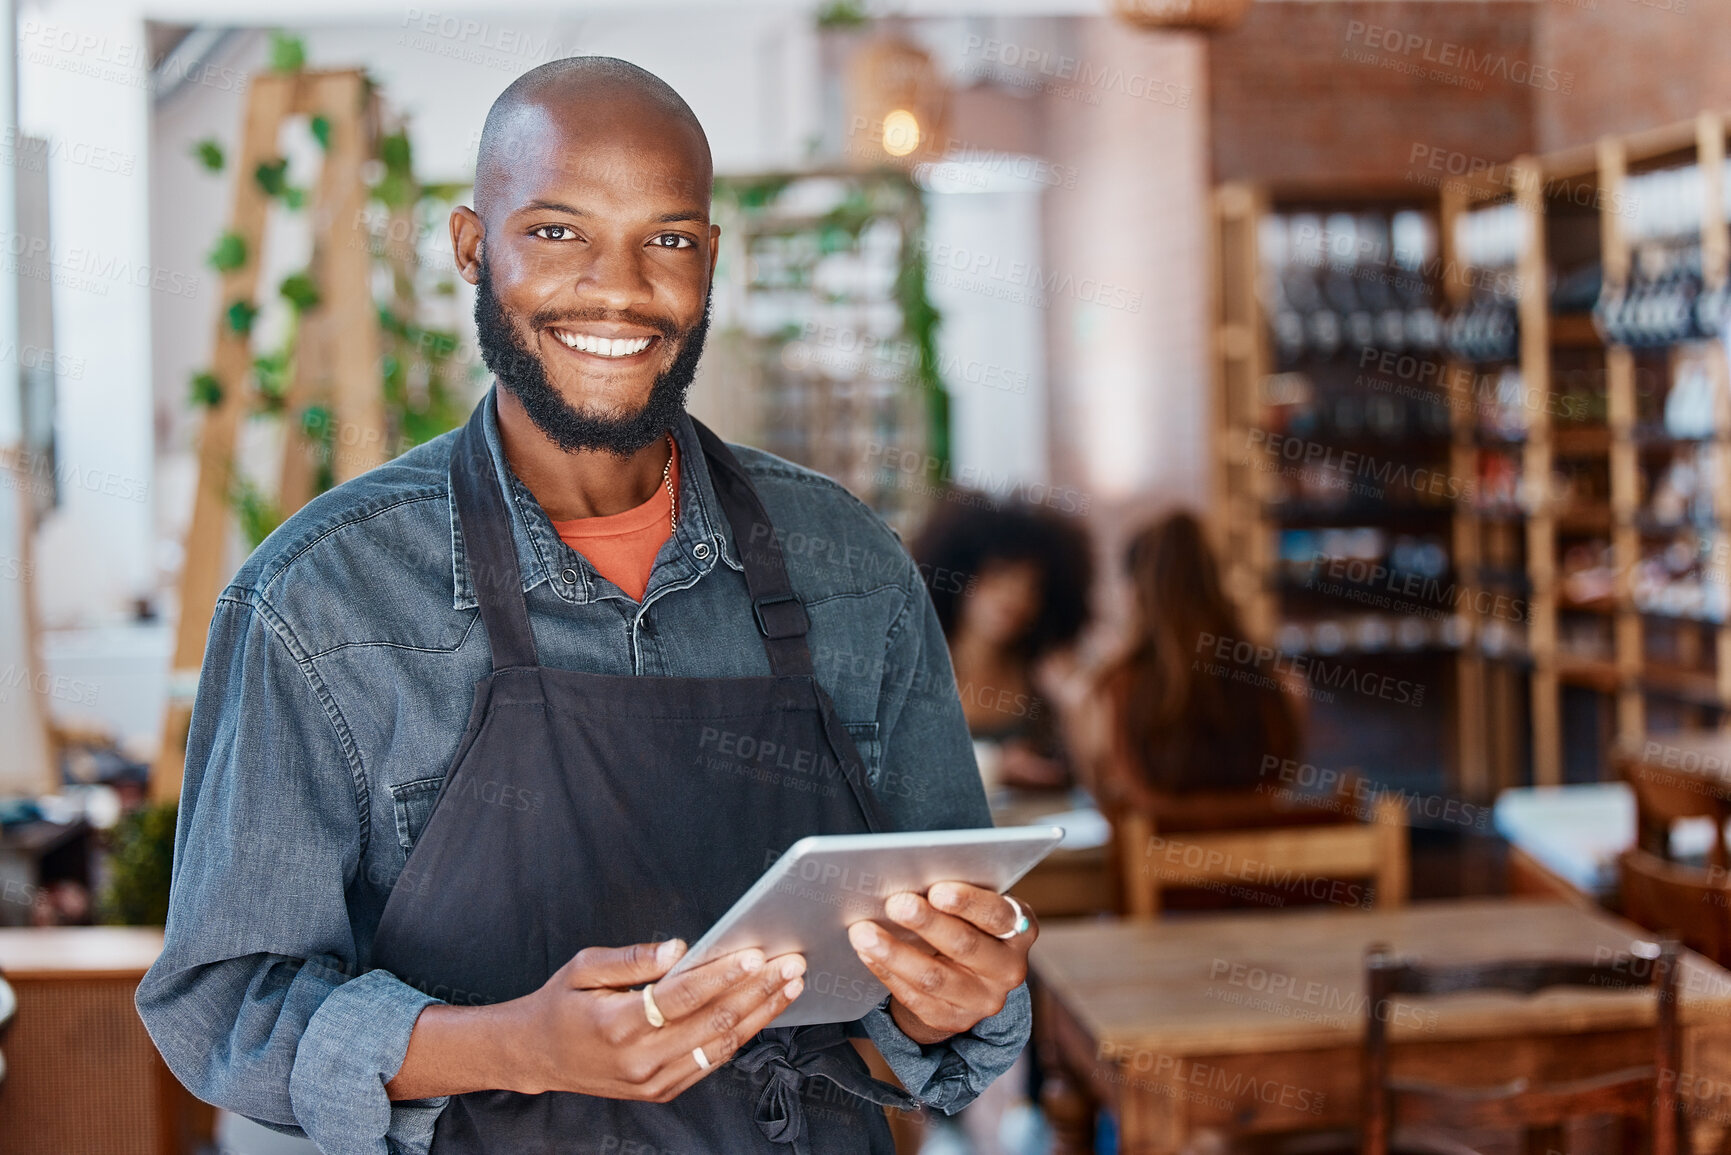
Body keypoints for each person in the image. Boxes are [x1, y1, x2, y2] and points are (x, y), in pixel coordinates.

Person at [136, 58, 1034, 1155]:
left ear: (712, 261)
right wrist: (516, 1046)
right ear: (473, 247)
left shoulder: (853, 570)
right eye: (558, 232)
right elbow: (226, 1004)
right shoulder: (319, 599)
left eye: (668, 240)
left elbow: (949, 967)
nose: (619, 288)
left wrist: (954, 993)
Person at [1088, 511, 1303, 815]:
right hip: (1261, 857)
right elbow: (1281, 784)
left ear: (1137, 592)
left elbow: (1112, 797)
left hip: (1156, 859)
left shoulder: (1117, 686)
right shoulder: (1281, 681)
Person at [910, 497, 1092, 791]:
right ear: (960, 572)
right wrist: (997, 765)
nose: (1015, 597)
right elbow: (898, 766)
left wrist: (1073, 701)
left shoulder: (1044, 675)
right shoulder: (915, 665)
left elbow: (1091, 776)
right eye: (1000, 575)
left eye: (1032, 586)